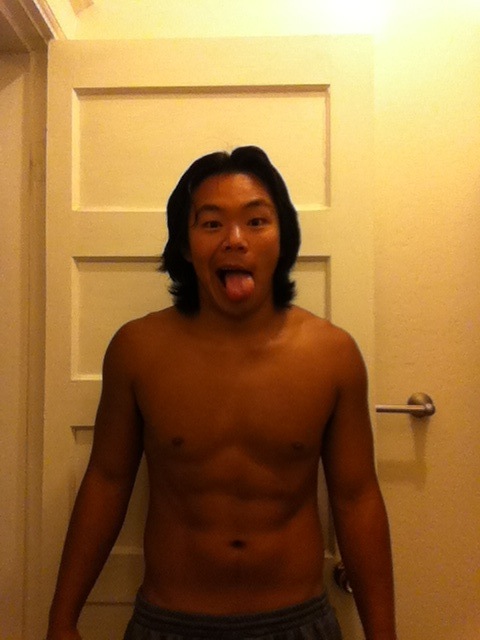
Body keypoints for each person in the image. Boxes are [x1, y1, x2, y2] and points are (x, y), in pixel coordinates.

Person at [46, 146, 397, 640]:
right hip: (169, 625)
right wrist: (62, 618)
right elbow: (106, 481)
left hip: (296, 623)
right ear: (186, 246)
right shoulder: (137, 350)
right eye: (211, 224)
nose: (235, 239)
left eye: (256, 221)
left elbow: (357, 498)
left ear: (283, 238)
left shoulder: (332, 355)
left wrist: (384, 635)